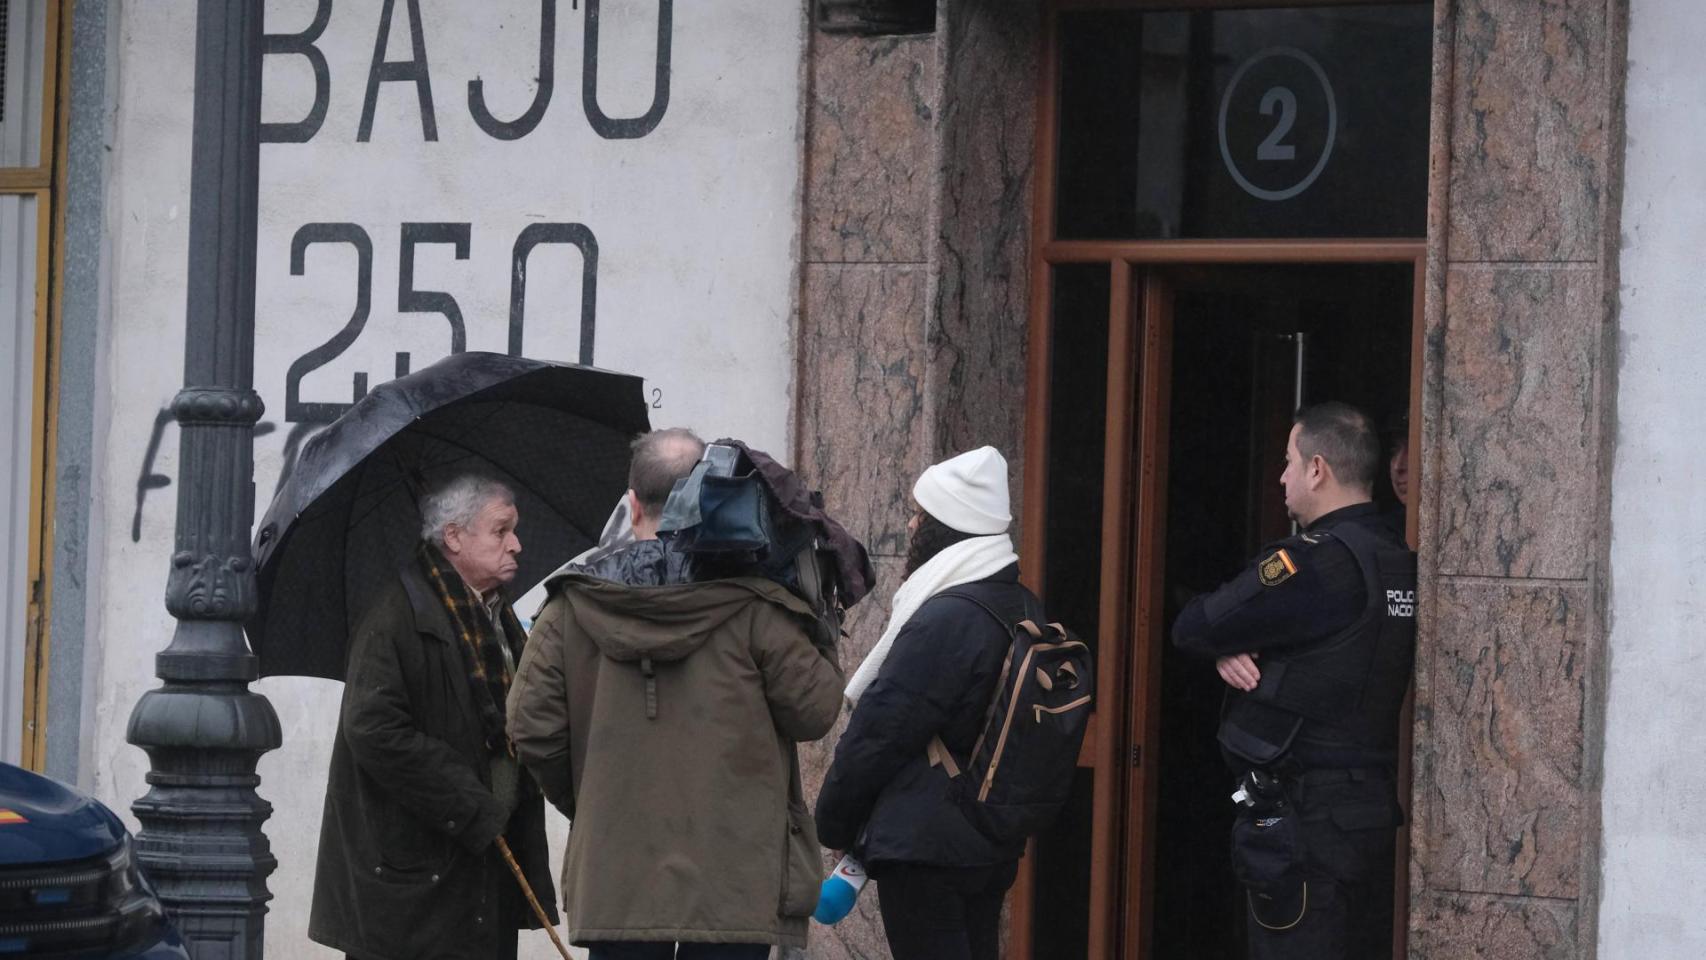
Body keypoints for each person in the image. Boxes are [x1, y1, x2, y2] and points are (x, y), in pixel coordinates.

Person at [506, 429, 845, 960]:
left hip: (618, 877)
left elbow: (531, 727)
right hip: (737, 882)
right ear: (711, 494)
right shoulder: (758, 607)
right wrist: (819, 619)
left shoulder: (570, 608)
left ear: (633, 502)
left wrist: (595, 799)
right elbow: (816, 710)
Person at [1172, 402, 1417, 960]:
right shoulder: (1395, 555)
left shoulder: (1312, 564)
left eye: (1288, 461)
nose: (1281, 476)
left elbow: (1196, 625)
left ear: (1317, 470)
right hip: (1367, 814)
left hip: (1308, 823)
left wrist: (1220, 644)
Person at [310, 474, 557, 960]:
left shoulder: (495, 618)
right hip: (413, 880)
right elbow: (373, 728)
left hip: (483, 867)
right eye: (501, 530)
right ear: (453, 536)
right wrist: (469, 801)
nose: (517, 545)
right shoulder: (394, 617)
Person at [814, 446, 1031, 960]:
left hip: (925, 847)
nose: (911, 527)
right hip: (987, 842)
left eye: (920, 516)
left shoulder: (948, 617)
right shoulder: (1022, 606)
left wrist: (836, 822)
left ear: (947, 527)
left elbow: (881, 731)